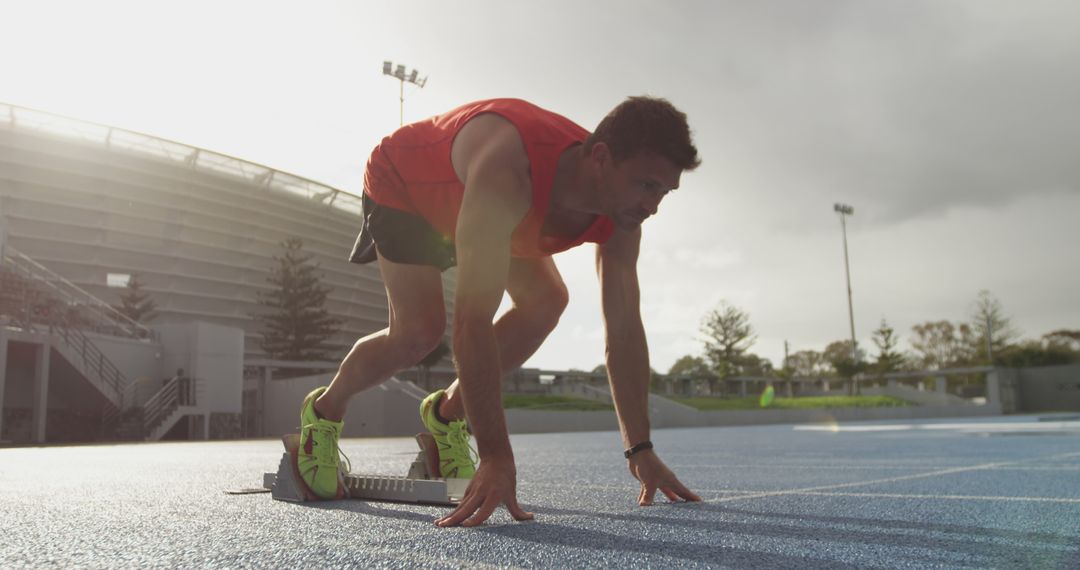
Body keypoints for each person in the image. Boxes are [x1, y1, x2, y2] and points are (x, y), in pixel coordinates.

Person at [295, 96, 703, 526]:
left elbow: (623, 329)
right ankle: (324, 411)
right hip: (410, 188)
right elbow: (472, 322)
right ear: (601, 157)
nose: (653, 205)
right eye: (646, 185)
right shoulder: (510, 168)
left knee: (547, 300)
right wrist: (495, 456)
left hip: (502, 213)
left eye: (664, 191)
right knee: (419, 330)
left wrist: (640, 449)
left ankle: (445, 415)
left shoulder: (622, 216)